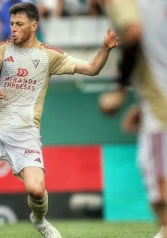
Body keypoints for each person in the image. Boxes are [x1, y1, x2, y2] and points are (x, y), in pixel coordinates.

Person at [0, 2, 118, 238]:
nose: (13, 28)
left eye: (19, 24)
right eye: (11, 23)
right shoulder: (4, 48)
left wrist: (105, 48)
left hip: (25, 132)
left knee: (36, 189)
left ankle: (39, 220)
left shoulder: (49, 56)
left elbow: (92, 69)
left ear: (34, 26)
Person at [99, 0, 167, 237]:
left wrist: (120, 89)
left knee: (161, 195)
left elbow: (133, 33)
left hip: (161, 110)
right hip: (155, 100)